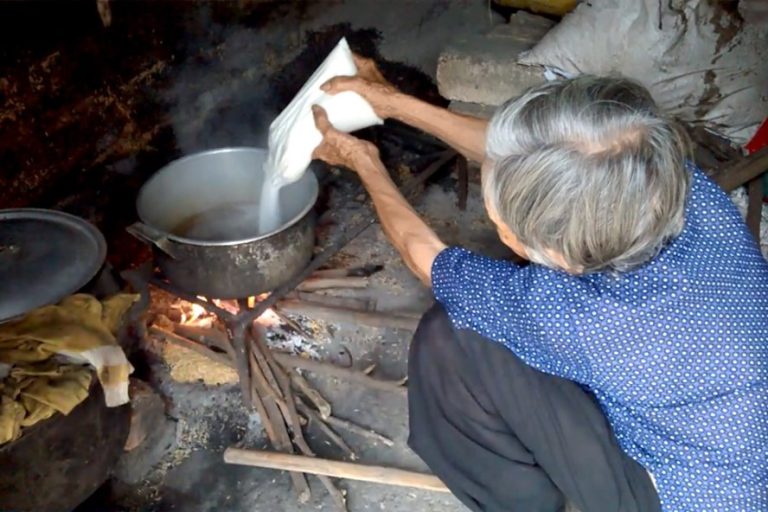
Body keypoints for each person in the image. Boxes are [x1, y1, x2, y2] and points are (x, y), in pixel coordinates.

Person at [310, 55, 768, 512]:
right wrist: (391, 102)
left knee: (448, 339)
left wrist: (363, 161)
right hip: (730, 427)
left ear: (562, 259)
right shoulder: (667, 181)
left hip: (691, 496)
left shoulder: (576, 318)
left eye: (500, 218)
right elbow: (524, 155)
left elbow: (425, 257)